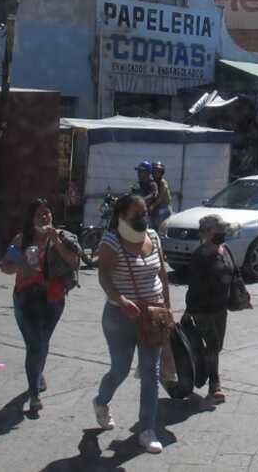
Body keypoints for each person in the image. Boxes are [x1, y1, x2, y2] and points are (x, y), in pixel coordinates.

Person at [93, 194, 172, 454]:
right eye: (136, 214)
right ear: (121, 216)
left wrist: (167, 309)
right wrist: (121, 299)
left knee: (151, 372)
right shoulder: (111, 241)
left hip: (154, 316)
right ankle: (101, 402)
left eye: (145, 213)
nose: (143, 218)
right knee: (121, 369)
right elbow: (104, 275)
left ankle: (147, 429)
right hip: (120, 316)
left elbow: (162, 273)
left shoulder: (154, 236)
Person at [0, 198, 80, 415]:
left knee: (41, 342)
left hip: (53, 299)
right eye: (40, 214)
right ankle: (34, 393)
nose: (45, 217)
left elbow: (73, 262)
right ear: (31, 218)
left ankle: (36, 374)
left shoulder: (61, 238)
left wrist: (56, 241)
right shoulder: (22, 239)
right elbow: (5, 267)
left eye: (48, 213)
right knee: (35, 344)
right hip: (25, 298)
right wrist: (22, 265)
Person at [185, 215, 248, 403]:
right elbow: (194, 285)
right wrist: (189, 310)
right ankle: (215, 386)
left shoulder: (225, 250)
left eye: (223, 230)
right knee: (213, 345)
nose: (222, 234)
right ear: (206, 233)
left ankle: (200, 369)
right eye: (217, 231)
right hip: (202, 309)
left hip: (221, 308)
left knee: (217, 346)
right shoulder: (200, 255)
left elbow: (235, 273)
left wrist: (243, 295)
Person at [150, 161, 172, 235]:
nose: (156, 173)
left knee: (160, 223)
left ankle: (161, 235)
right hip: (155, 206)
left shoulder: (163, 182)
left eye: (158, 172)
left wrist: (152, 206)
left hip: (163, 206)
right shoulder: (151, 181)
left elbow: (160, 197)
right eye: (154, 171)